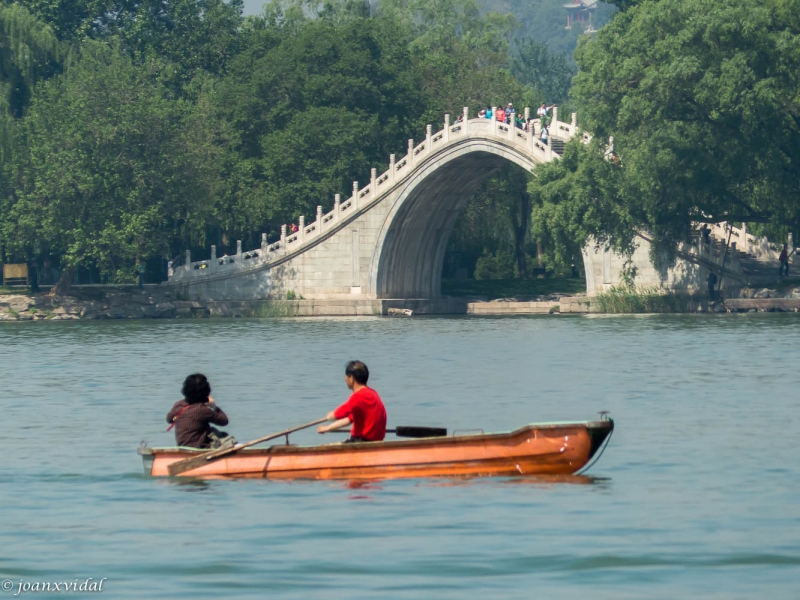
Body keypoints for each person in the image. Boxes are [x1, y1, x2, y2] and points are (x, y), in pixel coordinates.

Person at [318, 360, 387, 442]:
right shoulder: (373, 393)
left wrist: (329, 416)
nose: (345, 379)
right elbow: (349, 419)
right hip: (376, 442)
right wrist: (327, 428)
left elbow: (336, 415)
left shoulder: (357, 397)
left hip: (361, 443)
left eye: (346, 376)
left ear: (351, 378)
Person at [166, 374, 232, 448]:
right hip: (199, 447)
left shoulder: (179, 405)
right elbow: (224, 421)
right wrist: (214, 406)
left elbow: (169, 419)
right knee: (227, 440)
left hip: (182, 446)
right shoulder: (202, 410)